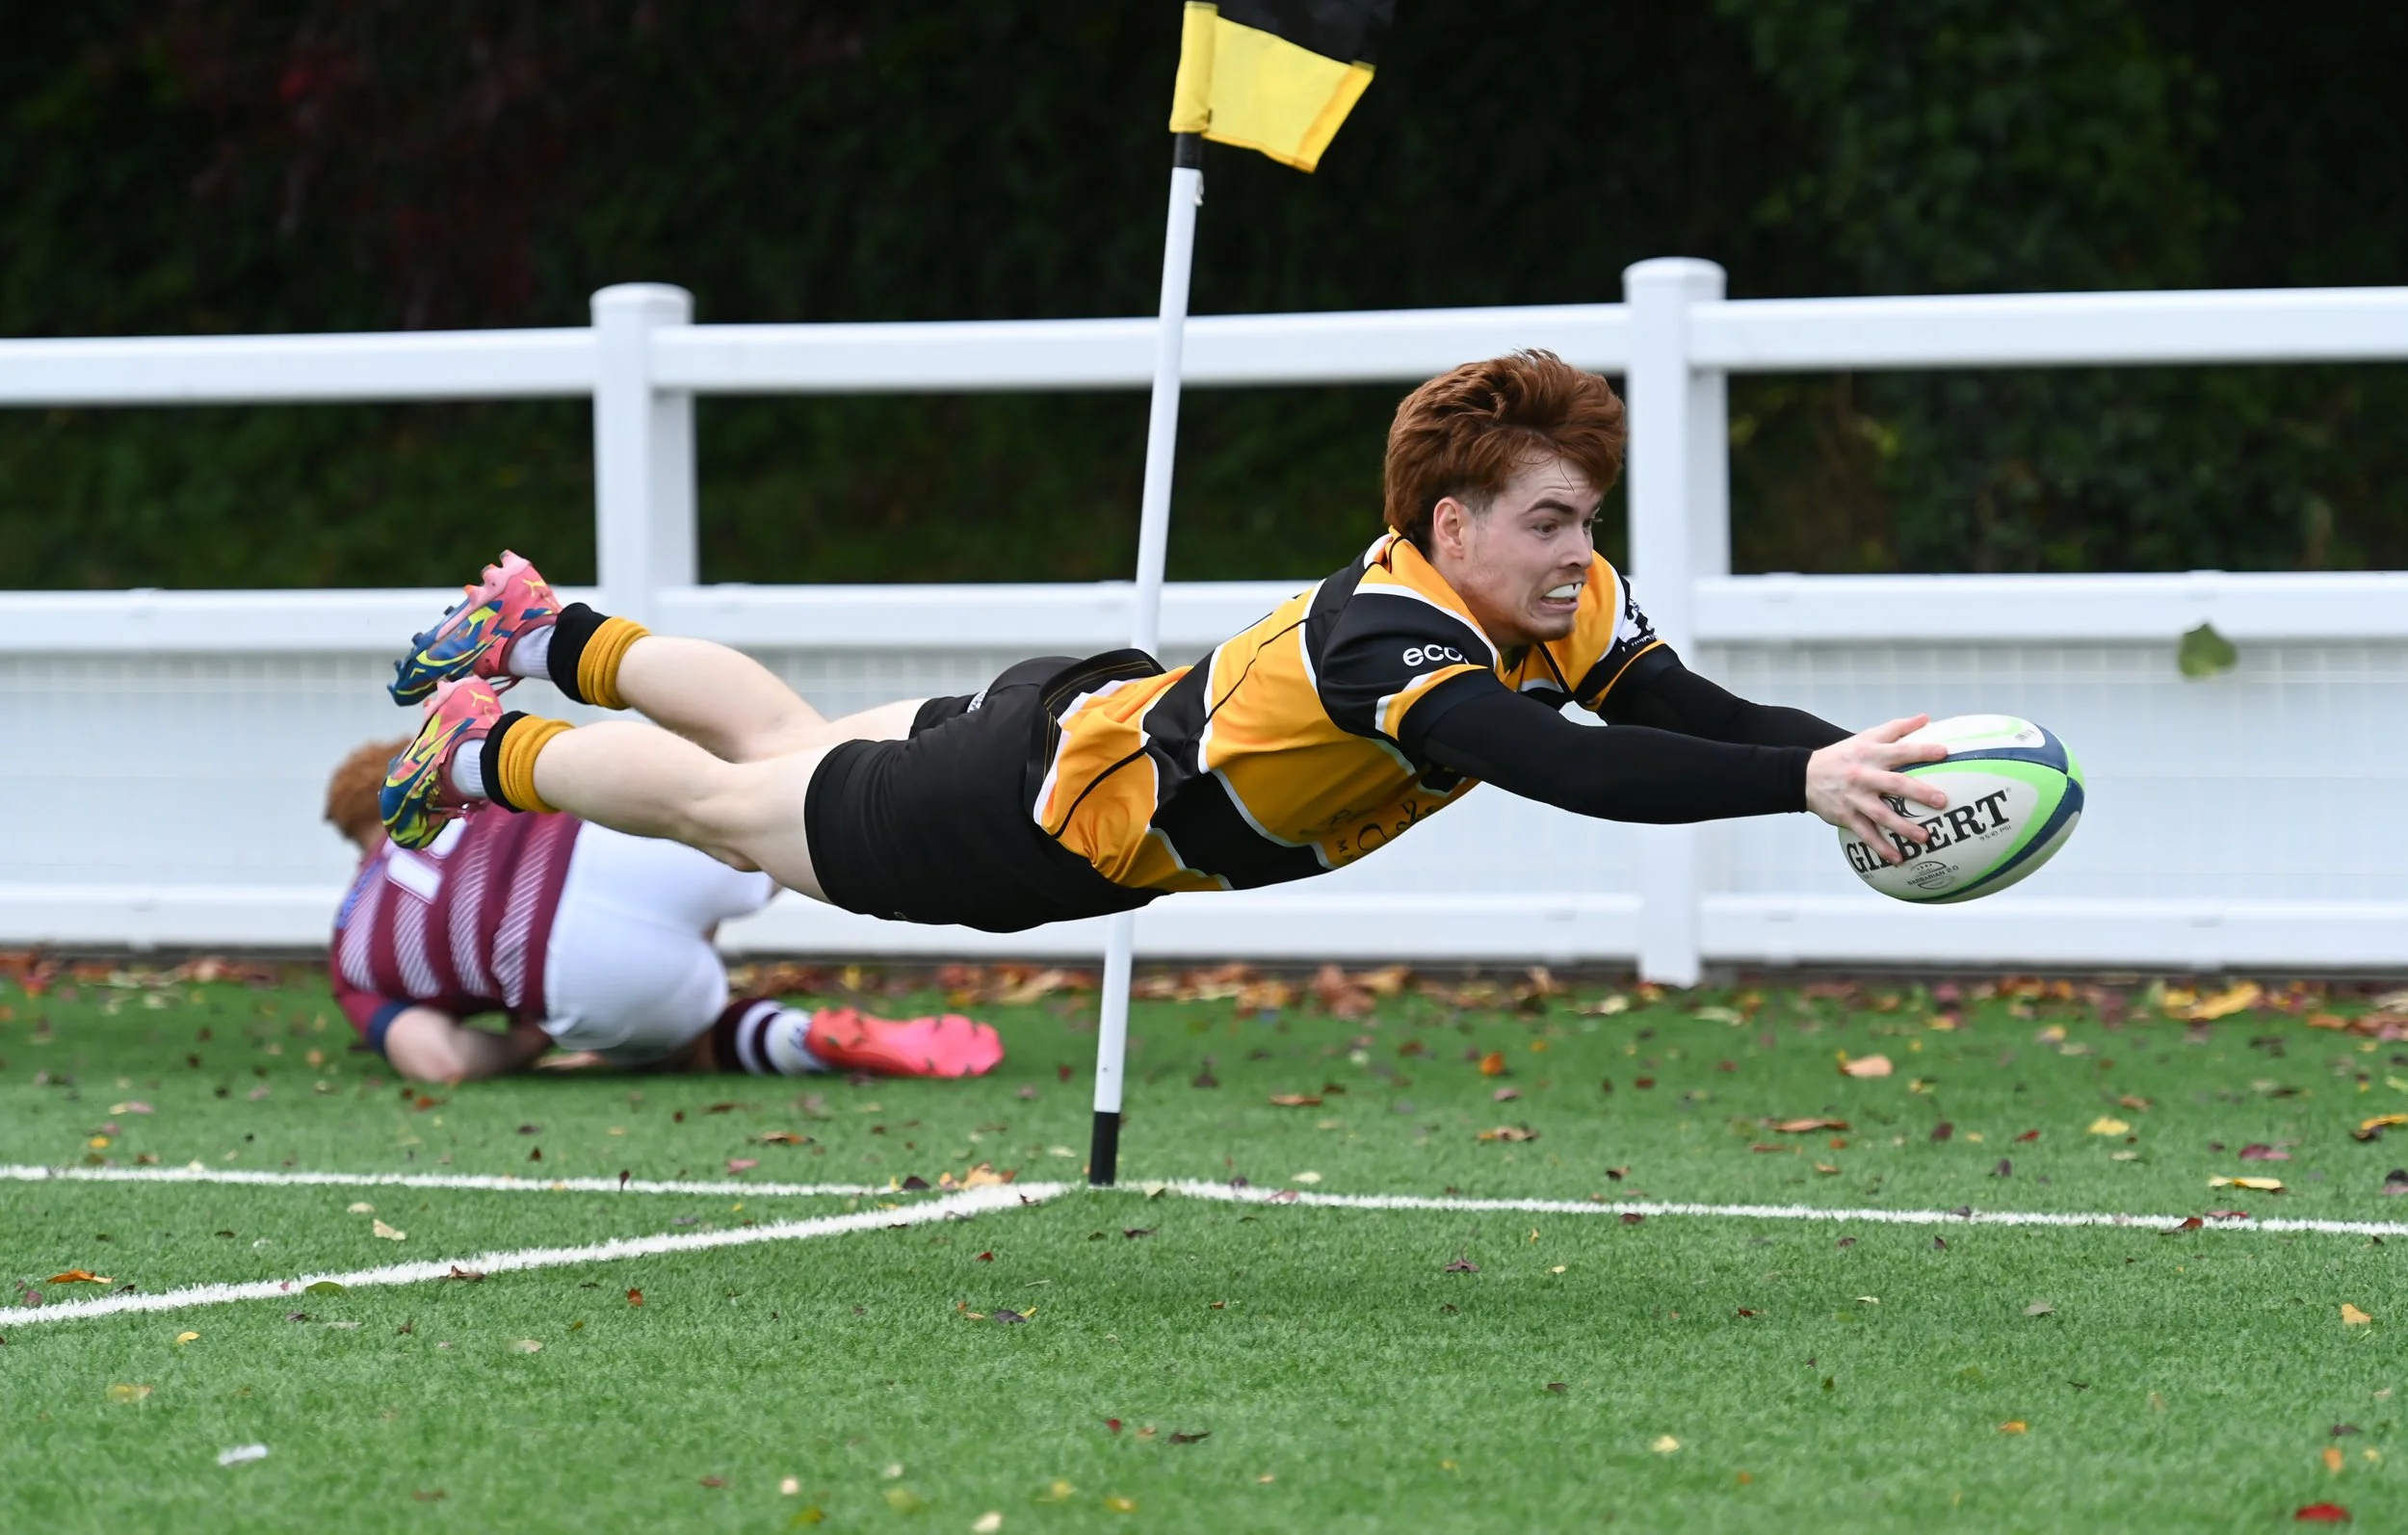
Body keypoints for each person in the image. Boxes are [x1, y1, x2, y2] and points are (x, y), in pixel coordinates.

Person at [375, 350, 1949, 933]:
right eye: (1551, 519)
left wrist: (1838, 755)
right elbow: (1568, 767)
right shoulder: (1387, 640)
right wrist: (1800, 792)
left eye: (1589, 516)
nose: (1583, 549)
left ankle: (539, 623)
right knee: (736, 819)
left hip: (1083, 718)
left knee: (779, 744)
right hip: (1032, 812)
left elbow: (1691, 703)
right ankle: (484, 743)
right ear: (1451, 528)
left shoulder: (1557, 597)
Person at [322, 741, 1002, 1083]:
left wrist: (526, 1043)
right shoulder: (455, 777)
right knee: (785, 828)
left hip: (579, 969)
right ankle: (968, 816)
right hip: (615, 840)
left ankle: (793, 1040)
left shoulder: (352, 951)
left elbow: (437, 1060)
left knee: (677, 1041)